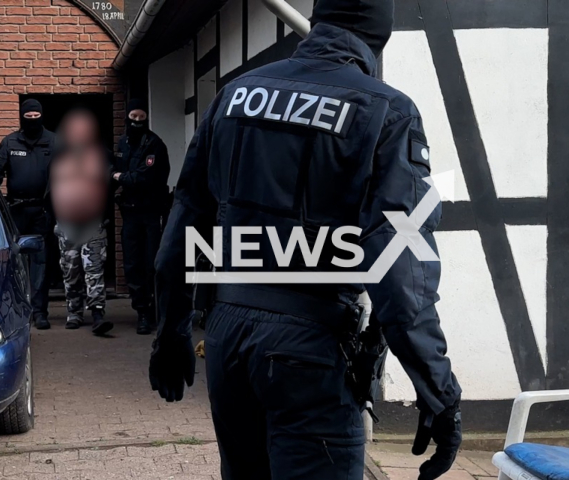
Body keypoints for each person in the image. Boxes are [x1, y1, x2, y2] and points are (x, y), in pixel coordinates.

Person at [151, 0, 462, 479]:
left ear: (317, 21)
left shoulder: (234, 95)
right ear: (380, 33)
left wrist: (171, 332)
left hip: (227, 336)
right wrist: (438, 391)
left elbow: (185, 223)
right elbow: (401, 265)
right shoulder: (386, 111)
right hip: (310, 344)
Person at [48, 108, 113, 335]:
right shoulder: (59, 158)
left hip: (92, 224)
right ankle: (74, 313)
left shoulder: (101, 156)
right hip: (67, 226)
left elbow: (108, 188)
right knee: (71, 271)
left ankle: (97, 314)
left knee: (94, 270)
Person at [111, 99, 170, 335]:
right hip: (130, 213)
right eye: (133, 117)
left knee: (152, 263)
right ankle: (142, 311)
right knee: (133, 263)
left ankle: (156, 308)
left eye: (141, 118)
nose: (136, 122)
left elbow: (145, 178)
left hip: (150, 212)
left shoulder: (155, 144)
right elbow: (112, 170)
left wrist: (119, 176)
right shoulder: (123, 143)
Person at [0, 99, 56, 330]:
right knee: (14, 261)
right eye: (28, 116)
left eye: (36, 116)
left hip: (42, 211)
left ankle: (40, 312)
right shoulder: (10, 141)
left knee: (40, 262)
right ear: (22, 117)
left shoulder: (54, 141)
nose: (32, 120)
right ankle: (16, 309)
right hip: (16, 211)